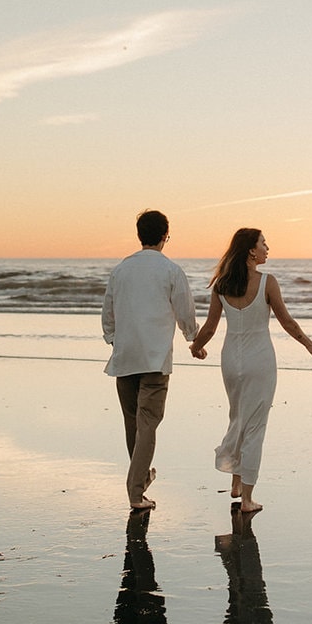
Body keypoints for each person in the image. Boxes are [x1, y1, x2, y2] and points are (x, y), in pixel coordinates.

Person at [190, 229, 312, 513]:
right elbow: (286, 321)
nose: (267, 248)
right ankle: (247, 498)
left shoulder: (222, 284)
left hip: (230, 362)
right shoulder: (267, 283)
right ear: (251, 251)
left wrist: (196, 347)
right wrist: (309, 344)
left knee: (238, 416)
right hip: (260, 361)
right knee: (254, 426)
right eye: (263, 243)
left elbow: (210, 327)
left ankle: (237, 480)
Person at [102, 209, 199, 512]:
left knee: (134, 424)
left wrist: (113, 339)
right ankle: (135, 491)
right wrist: (192, 336)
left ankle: (141, 480)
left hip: (126, 356)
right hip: (155, 359)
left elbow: (108, 313)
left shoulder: (121, 270)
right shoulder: (171, 271)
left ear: (140, 235)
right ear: (165, 235)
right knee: (148, 425)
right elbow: (185, 312)